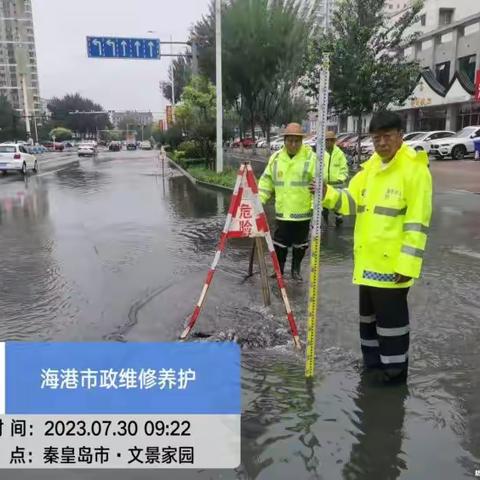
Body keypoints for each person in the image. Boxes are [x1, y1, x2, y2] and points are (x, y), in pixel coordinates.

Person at [319, 111, 432, 383]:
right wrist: (326, 194)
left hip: (393, 269)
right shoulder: (370, 169)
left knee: (392, 326)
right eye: (376, 138)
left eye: (387, 137)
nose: (381, 143)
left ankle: (394, 375)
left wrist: (407, 266)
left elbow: (417, 223)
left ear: (400, 136)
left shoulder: (414, 170)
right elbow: (350, 202)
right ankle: (372, 368)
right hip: (367, 265)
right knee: (368, 324)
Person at [259, 122, 316, 281]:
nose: (293, 144)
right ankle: (279, 269)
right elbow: (266, 182)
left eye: (296, 141)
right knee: (280, 244)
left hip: (302, 213)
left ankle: (295, 270)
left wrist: (314, 207)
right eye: (289, 140)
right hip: (283, 212)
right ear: (284, 140)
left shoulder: (311, 158)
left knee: (300, 245)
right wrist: (258, 202)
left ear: (301, 141)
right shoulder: (276, 158)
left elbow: (318, 185)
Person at [322, 130, 349, 227]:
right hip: (325, 184)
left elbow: (344, 168)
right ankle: (325, 223)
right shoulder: (321, 154)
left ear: (334, 141)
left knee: (337, 205)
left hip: (337, 184)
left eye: (331, 140)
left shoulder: (339, 154)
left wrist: (340, 178)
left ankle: (338, 219)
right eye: (327, 140)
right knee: (324, 205)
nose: (329, 142)